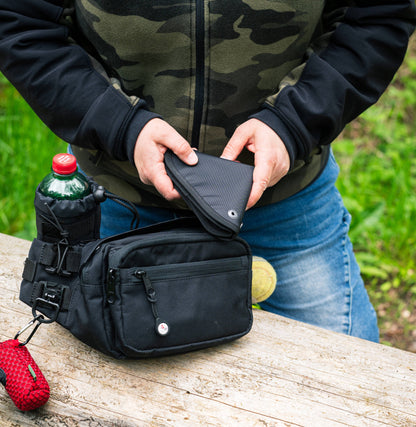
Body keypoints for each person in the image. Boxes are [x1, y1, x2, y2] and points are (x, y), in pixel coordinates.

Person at [0, 1, 415, 342]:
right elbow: (20, 21)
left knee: (348, 381)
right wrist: (120, 126)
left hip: (284, 206)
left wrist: (295, 124)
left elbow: (377, 17)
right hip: (116, 204)